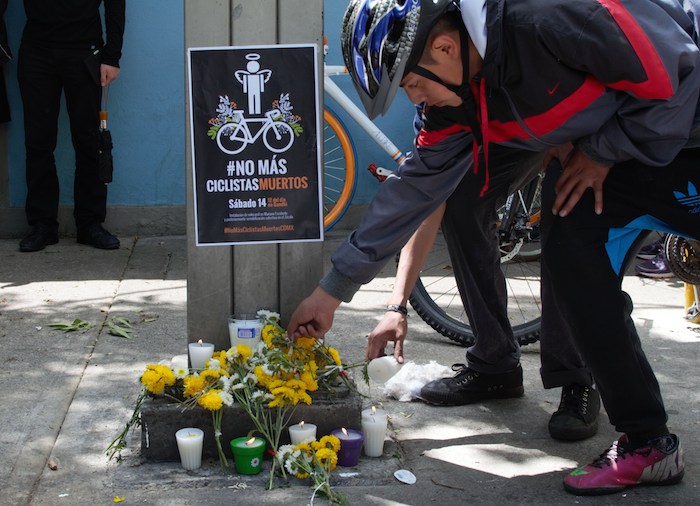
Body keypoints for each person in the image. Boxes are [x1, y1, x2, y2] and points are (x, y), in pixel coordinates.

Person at [289, 0, 700, 495]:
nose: (415, 98)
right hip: (614, 158)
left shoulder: (545, 17)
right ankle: (649, 444)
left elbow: (679, 71)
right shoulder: (456, 99)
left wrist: (600, 151)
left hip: (681, 127)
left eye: (413, 84)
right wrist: (332, 292)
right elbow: (415, 192)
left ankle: (585, 387)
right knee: (572, 261)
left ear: (445, 48)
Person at [17, 0, 125, 252]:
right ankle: (42, 225)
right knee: (38, 141)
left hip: (84, 49)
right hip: (36, 48)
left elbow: (116, 4)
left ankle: (90, 224)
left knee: (88, 141)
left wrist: (112, 56)